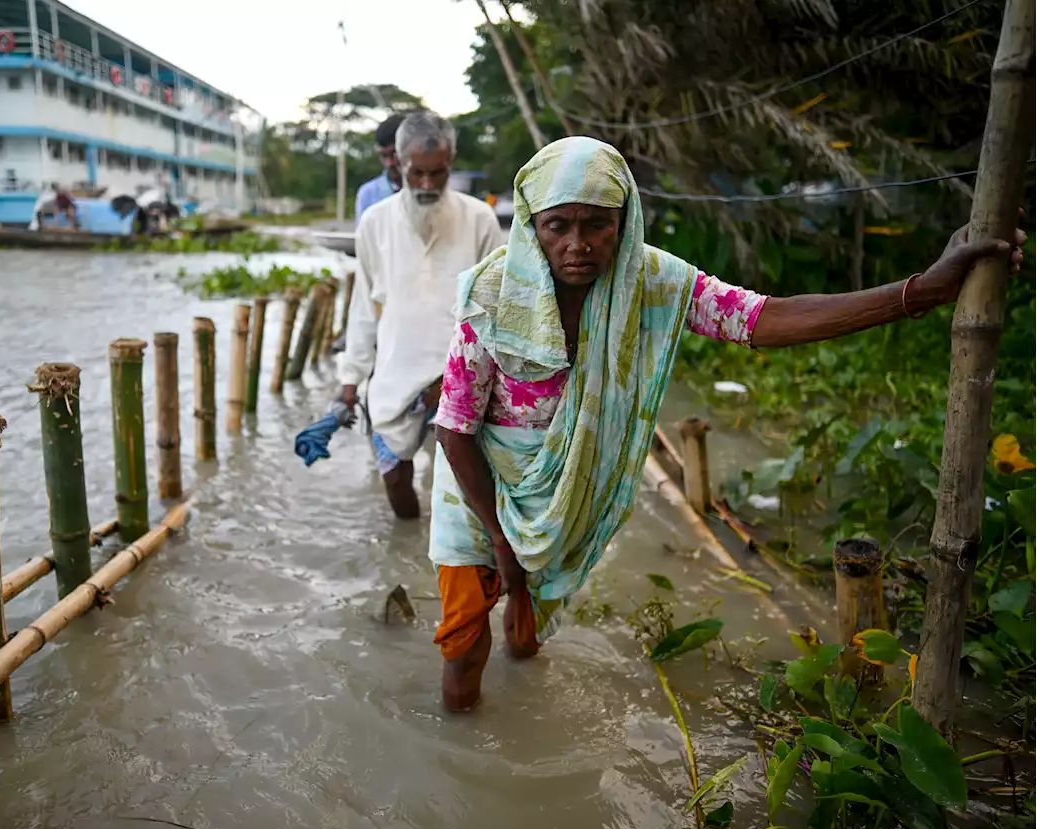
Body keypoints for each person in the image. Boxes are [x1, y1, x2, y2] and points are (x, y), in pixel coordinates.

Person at [430, 136, 1027, 712]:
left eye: (597, 224)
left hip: (568, 489)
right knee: (462, 645)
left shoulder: (649, 281)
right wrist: (503, 540)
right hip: (477, 481)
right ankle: (465, 751)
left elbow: (762, 319)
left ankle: (523, 664)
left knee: (529, 621)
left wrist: (920, 291)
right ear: (532, 225)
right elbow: (455, 429)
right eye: (558, 225)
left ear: (625, 220)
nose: (578, 244)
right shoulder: (492, 294)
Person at [338, 112, 502, 520]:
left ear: (452, 162)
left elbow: (497, 308)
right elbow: (364, 306)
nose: (427, 184)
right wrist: (349, 380)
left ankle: (447, 566)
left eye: (438, 173)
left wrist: (462, 377)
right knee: (394, 479)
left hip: (462, 378)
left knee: (464, 490)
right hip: (395, 374)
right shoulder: (375, 223)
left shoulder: (479, 219)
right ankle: (407, 548)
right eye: (417, 173)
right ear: (397, 162)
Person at [354, 114, 405, 219]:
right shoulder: (368, 194)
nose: (389, 163)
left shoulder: (438, 187)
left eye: (394, 154)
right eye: (383, 155)